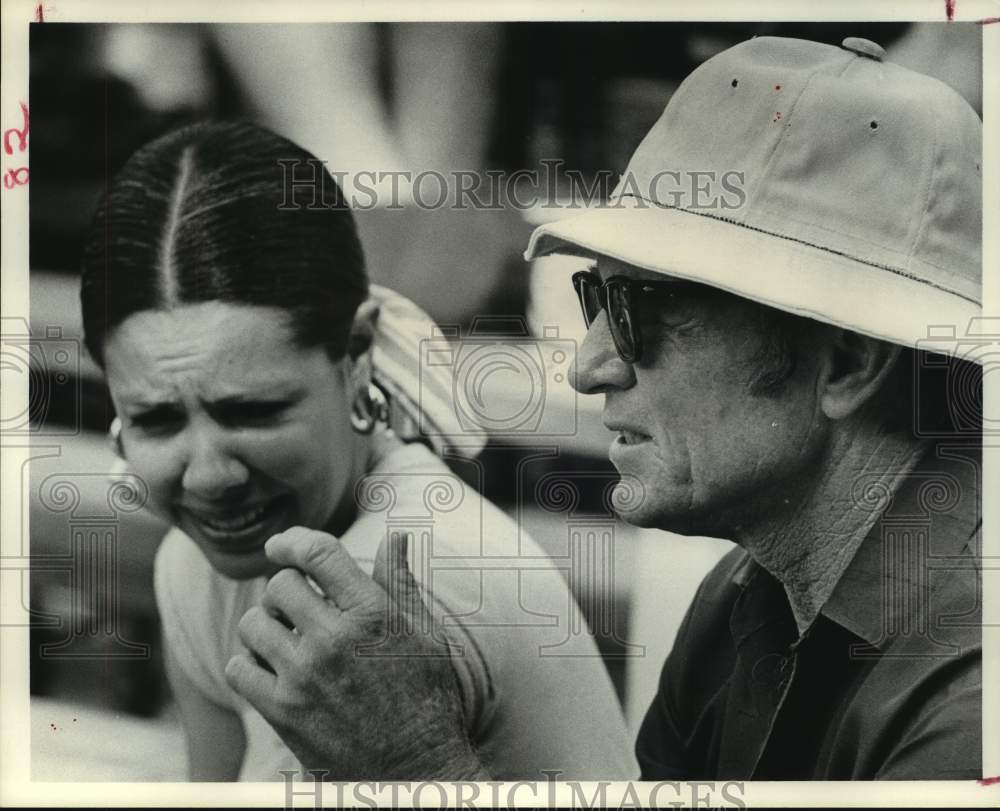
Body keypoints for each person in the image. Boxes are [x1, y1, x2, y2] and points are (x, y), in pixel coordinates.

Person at [226, 36, 983, 780]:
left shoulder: (971, 704)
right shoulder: (747, 595)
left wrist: (419, 763)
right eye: (597, 296)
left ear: (848, 362)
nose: (588, 368)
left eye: (641, 312)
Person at [79, 120, 635, 781]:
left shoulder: (406, 579)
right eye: (155, 420)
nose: (208, 475)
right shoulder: (193, 566)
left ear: (358, 353)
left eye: (253, 411)